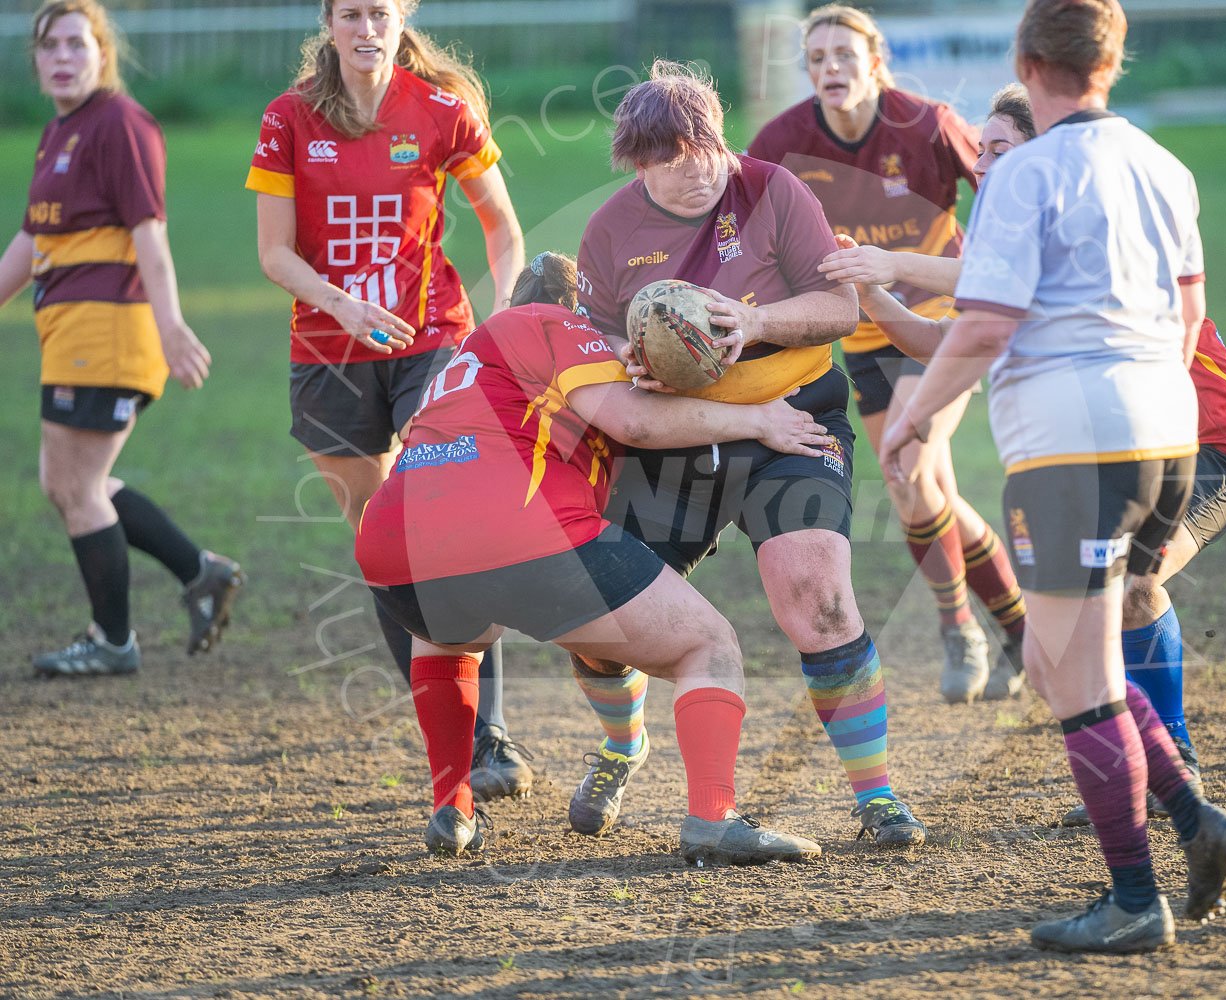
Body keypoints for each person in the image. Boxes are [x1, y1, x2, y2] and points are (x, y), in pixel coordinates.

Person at [880, 0, 1226, 952]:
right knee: (1054, 661)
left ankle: (1134, 899)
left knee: (1076, 675)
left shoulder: (1026, 170)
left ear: (1027, 59)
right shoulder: (1162, 164)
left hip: (1072, 444)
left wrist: (915, 419)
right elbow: (1186, 313)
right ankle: (1193, 820)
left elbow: (990, 323)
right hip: (1167, 431)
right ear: (1111, 63)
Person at [828, 86, 1226, 818]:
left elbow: (994, 304)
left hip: (1211, 445)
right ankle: (1156, 779)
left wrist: (891, 264)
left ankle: (1174, 769)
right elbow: (950, 339)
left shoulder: (1071, 213)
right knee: (1072, 634)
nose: (987, 162)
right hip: (1115, 451)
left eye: (1003, 147)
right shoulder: (1013, 227)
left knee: (1125, 590)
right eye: (985, 149)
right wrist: (878, 301)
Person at [355, 250, 826, 863]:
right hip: (513, 530)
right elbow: (634, 423)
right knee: (708, 645)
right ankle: (713, 816)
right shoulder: (556, 324)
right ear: (580, 310)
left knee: (447, 637)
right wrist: (760, 420)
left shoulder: (470, 356)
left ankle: (453, 807)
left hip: (393, 545)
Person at [571, 60, 928, 849]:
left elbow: (839, 305)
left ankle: (877, 798)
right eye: (671, 157)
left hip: (793, 423)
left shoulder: (771, 189)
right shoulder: (609, 232)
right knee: (599, 623)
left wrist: (755, 323)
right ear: (639, 161)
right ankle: (621, 746)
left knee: (817, 595)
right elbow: (590, 343)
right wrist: (623, 360)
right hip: (674, 436)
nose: (697, 169)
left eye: (706, 148)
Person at [246, 0, 532, 797]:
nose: (365, 28)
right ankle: (450, 731)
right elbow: (273, 252)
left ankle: (492, 737)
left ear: (402, 16)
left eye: (379, 12)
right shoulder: (288, 119)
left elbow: (502, 228)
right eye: (349, 14)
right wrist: (339, 303)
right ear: (328, 23)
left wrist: (502, 319)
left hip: (431, 338)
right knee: (384, 543)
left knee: (447, 526)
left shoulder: (442, 110)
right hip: (328, 352)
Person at [747, 6, 1029, 705]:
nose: (830, 67)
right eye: (817, 58)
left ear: (876, 61)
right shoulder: (785, 140)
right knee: (923, 493)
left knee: (907, 470)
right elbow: (744, 224)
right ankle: (1021, 630)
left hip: (945, 321)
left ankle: (956, 625)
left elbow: (1009, 180)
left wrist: (1001, 268)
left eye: (844, 53)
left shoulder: (925, 124)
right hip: (866, 332)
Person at [0, 0, 243, 677]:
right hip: (71, 331)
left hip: (107, 331)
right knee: (72, 481)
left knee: (77, 486)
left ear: (103, 54)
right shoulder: (59, 133)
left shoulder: (120, 123)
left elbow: (150, 238)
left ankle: (113, 640)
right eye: (49, 47)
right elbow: (32, 241)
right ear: (37, 61)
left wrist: (170, 326)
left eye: (77, 44)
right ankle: (200, 573)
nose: (62, 58)